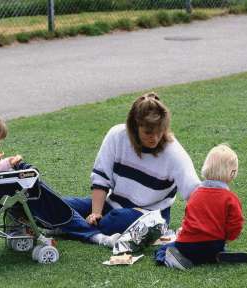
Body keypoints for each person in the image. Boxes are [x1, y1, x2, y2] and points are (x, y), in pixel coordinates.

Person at [61, 92, 201, 247]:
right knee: (57, 205)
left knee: (112, 221)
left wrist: (201, 227)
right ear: (135, 126)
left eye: (159, 131)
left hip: (150, 215)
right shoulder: (116, 136)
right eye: (148, 132)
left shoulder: (174, 153)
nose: (154, 138)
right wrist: (96, 213)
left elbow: (195, 192)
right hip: (112, 205)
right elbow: (101, 179)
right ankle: (88, 231)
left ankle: (68, 226)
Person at [156, 144, 247, 270]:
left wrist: (183, 231)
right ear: (232, 173)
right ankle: (216, 255)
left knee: (165, 248)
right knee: (212, 246)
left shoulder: (195, 194)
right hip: (215, 245)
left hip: (188, 245)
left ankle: (167, 258)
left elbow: (188, 216)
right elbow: (236, 223)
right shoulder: (230, 198)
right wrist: (228, 238)